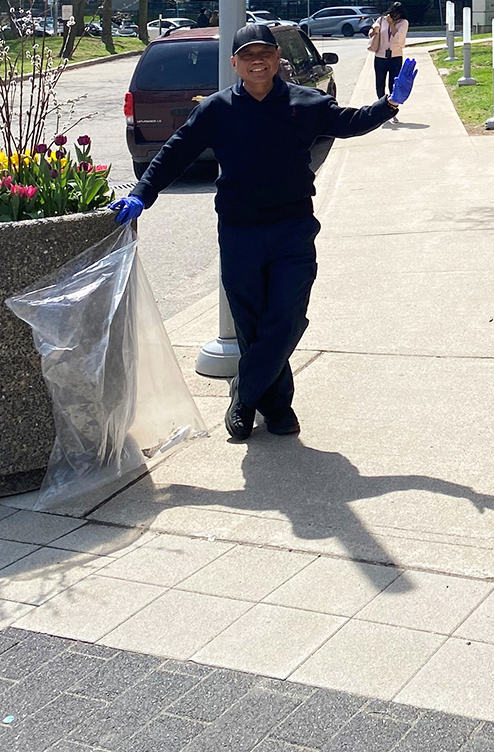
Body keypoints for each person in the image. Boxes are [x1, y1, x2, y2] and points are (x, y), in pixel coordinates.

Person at [107, 23, 403, 443]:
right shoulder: (217, 109)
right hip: (240, 231)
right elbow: (175, 153)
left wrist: (389, 103)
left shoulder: (306, 102)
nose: (258, 60)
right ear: (235, 64)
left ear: (278, 59)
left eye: (265, 52)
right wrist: (142, 193)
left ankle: (244, 397)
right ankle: (278, 405)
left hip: (293, 228)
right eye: (248, 55)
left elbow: (349, 123)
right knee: (249, 321)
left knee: (285, 317)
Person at [367, 3, 409, 99]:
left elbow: (398, 38)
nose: (395, 17)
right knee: (379, 84)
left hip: (395, 57)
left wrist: (391, 24)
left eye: (397, 15)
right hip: (380, 57)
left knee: (393, 84)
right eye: (393, 14)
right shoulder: (382, 20)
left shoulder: (403, 23)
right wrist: (374, 31)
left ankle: (391, 105)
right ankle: (382, 104)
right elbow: (371, 32)